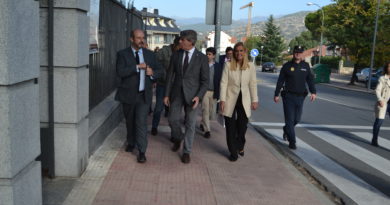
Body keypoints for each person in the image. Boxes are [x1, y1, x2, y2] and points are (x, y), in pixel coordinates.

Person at [115, 29, 162, 163]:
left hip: (143, 96)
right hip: (128, 95)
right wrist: (137, 67)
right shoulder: (122, 54)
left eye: (143, 38)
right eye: (138, 38)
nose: (141, 40)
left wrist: (152, 72)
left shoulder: (150, 55)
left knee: (140, 122)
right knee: (130, 122)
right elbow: (120, 72)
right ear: (131, 39)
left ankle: (142, 151)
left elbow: (161, 70)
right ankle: (131, 142)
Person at [164, 30, 209, 164]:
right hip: (176, 94)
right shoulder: (176, 55)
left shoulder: (201, 58)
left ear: (190, 41)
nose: (180, 41)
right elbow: (170, 75)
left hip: (193, 97)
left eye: (182, 39)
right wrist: (166, 94)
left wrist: (199, 97)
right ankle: (178, 138)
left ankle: (186, 151)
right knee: (172, 119)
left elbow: (205, 81)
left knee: (190, 124)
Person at [219, 42, 258, 161]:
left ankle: (240, 145)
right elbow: (223, 83)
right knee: (230, 128)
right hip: (230, 99)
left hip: (244, 100)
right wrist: (222, 99)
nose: (239, 53)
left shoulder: (250, 66)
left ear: (245, 52)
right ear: (234, 53)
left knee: (242, 127)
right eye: (237, 51)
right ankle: (233, 152)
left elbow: (253, 84)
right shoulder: (228, 65)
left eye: (241, 51)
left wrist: (254, 100)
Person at [274, 45, 316, 150]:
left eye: (300, 52)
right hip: (288, 97)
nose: (298, 53)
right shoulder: (287, 66)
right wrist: (276, 94)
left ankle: (286, 129)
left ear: (302, 54)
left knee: (297, 119)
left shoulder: (306, 66)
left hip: (300, 97)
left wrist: (313, 92)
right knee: (289, 120)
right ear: (293, 53)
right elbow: (280, 81)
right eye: (296, 52)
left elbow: (310, 80)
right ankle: (292, 141)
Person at [151, 36, 180, 136]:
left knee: (174, 111)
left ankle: (173, 133)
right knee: (159, 107)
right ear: (175, 45)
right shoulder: (164, 51)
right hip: (162, 83)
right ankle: (154, 126)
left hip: (175, 86)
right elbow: (154, 61)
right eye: (178, 47)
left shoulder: (182, 53)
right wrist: (160, 73)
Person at [200, 47, 223, 138]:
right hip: (204, 91)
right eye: (207, 54)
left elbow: (220, 80)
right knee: (205, 110)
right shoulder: (202, 65)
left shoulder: (217, 66)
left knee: (211, 112)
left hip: (214, 91)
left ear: (213, 56)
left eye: (210, 54)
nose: (208, 56)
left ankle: (203, 123)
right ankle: (207, 130)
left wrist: (219, 93)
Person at [371, 62, 390, 147]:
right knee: (379, 122)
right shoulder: (382, 78)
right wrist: (380, 100)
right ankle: (374, 139)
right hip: (384, 103)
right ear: (386, 68)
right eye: (389, 67)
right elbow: (378, 90)